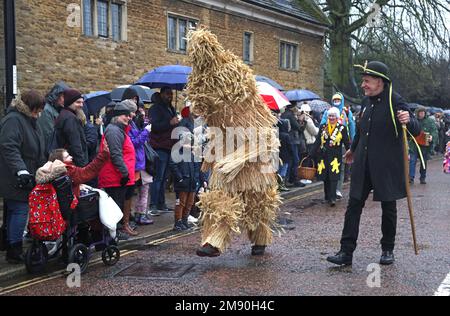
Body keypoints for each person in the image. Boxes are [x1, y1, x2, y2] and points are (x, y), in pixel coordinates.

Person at [326, 61, 420, 266]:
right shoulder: (366, 101)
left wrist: (408, 119)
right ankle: (346, 251)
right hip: (364, 163)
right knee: (353, 206)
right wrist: (353, 148)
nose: (363, 85)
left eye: (367, 81)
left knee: (388, 208)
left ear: (380, 82)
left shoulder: (396, 100)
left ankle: (388, 249)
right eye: (363, 81)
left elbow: (416, 129)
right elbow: (361, 128)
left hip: (386, 165)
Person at [0, 90, 46, 263]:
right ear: (28, 106)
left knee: (15, 210)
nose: (39, 113)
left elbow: (39, 146)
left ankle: (10, 243)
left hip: (27, 173)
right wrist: (21, 170)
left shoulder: (30, 120)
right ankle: (14, 249)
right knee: (20, 209)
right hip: (15, 175)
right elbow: (9, 147)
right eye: (37, 109)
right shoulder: (13, 120)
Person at [98, 101, 136, 239]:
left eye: (129, 115)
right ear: (117, 116)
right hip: (114, 177)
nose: (128, 118)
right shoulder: (114, 131)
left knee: (118, 205)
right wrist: (125, 173)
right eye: (125, 115)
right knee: (115, 207)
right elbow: (115, 155)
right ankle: (114, 233)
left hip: (118, 176)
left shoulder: (119, 130)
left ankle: (117, 231)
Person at [309, 107, 350, 206]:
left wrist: (351, 152)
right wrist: (311, 153)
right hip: (323, 156)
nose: (331, 118)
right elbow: (318, 140)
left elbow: (347, 142)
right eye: (330, 116)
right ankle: (327, 197)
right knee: (325, 176)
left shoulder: (342, 128)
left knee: (334, 177)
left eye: (333, 116)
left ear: (337, 117)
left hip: (335, 156)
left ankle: (333, 198)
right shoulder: (323, 127)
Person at [148, 87, 179, 215]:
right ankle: (153, 204)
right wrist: (170, 122)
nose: (170, 96)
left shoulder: (170, 109)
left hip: (169, 146)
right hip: (159, 146)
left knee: (164, 178)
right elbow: (155, 127)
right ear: (161, 94)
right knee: (158, 177)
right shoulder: (155, 109)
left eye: (171, 94)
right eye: (167, 94)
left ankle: (162, 203)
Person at [321, 92, 356, 199]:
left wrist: (353, 142)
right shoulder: (328, 111)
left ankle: (337, 189)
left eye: (338, 100)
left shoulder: (347, 112)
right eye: (334, 100)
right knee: (329, 168)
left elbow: (351, 126)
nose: (336, 102)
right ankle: (330, 190)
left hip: (342, 143)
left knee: (340, 167)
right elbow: (322, 124)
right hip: (329, 143)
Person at [55, 88, 89, 167]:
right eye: (78, 102)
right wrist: (82, 165)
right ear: (70, 102)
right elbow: (75, 144)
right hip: (73, 162)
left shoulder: (65, 114)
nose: (81, 105)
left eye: (82, 102)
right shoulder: (70, 118)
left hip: (68, 160)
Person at [408, 106, 438, 184]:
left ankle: (422, 177)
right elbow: (408, 131)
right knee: (412, 160)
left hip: (424, 145)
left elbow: (434, 131)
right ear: (417, 113)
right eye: (420, 113)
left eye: (423, 113)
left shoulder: (430, 121)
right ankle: (411, 177)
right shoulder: (413, 121)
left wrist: (432, 136)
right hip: (414, 144)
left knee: (423, 161)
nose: (422, 114)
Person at [37, 81, 69, 151]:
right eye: (63, 97)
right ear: (56, 95)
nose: (66, 100)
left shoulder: (57, 109)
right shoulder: (46, 110)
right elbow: (49, 136)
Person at [281, 103, 305, 187]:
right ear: (293, 107)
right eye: (296, 107)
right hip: (292, 140)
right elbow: (299, 128)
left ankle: (288, 179)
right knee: (295, 160)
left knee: (288, 160)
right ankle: (293, 179)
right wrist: (301, 120)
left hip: (286, 139)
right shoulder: (290, 115)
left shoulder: (284, 114)